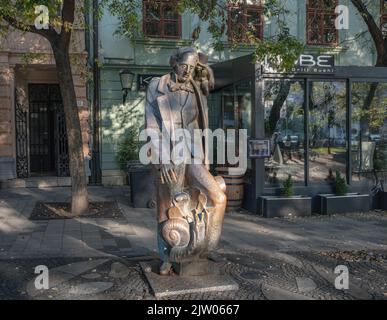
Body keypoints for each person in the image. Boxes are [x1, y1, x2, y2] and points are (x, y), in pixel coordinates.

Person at [145, 47, 227, 275]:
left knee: (216, 197)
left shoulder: (196, 90)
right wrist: (162, 160)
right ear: (174, 63)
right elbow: (151, 128)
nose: (187, 72)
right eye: (184, 66)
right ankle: (167, 257)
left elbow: (202, 126)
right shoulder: (156, 86)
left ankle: (207, 245)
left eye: (192, 68)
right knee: (165, 207)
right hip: (167, 156)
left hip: (193, 155)